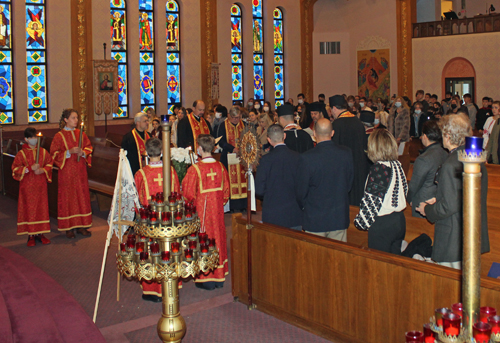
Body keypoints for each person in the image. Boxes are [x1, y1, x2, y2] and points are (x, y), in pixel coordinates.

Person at [416, 114, 489, 269]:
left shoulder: (451, 164)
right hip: (471, 234)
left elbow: (448, 206)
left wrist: (427, 209)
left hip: (454, 238)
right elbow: (461, 196)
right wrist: (438, 199)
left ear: (448, 136)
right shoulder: (473, 157)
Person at [134, 138, 180, 302]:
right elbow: (177, 194)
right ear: (161, 152)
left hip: (150, 221)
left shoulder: (141, 174)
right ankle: (171, 286)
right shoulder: (170, 171)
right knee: (168, 250)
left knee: (152, 252)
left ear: (146, 153)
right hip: (169, 220)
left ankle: (152, 289)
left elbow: (136, 199)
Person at [182, 134, 230, 290]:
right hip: (217, 213)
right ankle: (219, 276)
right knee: (218, 238)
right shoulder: (221, 167)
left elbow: (188, 194)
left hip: (202, 214)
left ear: (200, 149)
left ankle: (207, 278)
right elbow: (226, 192)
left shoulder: (195, 169)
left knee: (205, 239)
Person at [296, 118, 353, 241]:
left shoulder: (306, 158)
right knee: (338, 257)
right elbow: (348, 184)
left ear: (314, 134)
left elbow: (301, 191)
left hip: (315, 217)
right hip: (338, 216)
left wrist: (306, 207)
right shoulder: (346, 153)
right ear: (332, 133)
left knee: (315, 258)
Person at [354, 129, 408, 254]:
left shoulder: (380, 168)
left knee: (379, 267)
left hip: (383, 225)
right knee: (393, 263)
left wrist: (361, 222)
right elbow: (404, 190)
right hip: (399, 220)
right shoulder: (396, 165)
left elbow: (372, 201)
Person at [50, 109, 93, 238]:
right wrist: (68, 151)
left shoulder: (81, 134)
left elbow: (89, 147)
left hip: (80, 171)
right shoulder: (59, 136)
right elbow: (53, 154)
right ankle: (69, 227)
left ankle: (81, 225)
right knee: (68, 198)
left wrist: (83, 152)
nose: (76, 120)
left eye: (77, 118)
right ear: (65, 120)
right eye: (73, 118)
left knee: (81, 196)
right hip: (67, 171)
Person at [255, 125, 301, 229]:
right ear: (284, 136)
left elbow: (259, 190)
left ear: (269, 140)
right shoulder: (297, 157)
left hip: (273, 214)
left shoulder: (265, 160)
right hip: (294, 213)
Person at [12, 128, 53, 247]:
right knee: (30, 209)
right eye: (32, 138)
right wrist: (29, 168)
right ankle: (31, 235)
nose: (34, 140)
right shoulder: (21, 154)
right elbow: (15, 169)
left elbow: (50, 164)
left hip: (40, 185)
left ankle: (40, 233)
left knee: (41, 208)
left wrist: (42, 170)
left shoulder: (43, 152)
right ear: (26, 139)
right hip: (27, 187)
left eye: (36, 137)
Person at [330, 95, 369, 206]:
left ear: (334, 108)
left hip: (344, 169)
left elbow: (335, 149)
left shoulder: (336, 125)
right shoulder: (358, 122)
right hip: (359, 165)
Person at [407, 120, 448, 218]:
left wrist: (409, 198)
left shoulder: (424, 159)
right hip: (438, 199)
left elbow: (414, 185)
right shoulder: (445, 153)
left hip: (423, 202)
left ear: (425, 136)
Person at [218, 106, 247, 212]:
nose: (236, 120)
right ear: (229, 116)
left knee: (243, 180)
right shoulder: (223, 125)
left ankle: (243, 204)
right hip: (228, 157)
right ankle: (232, 206)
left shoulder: (244, 125)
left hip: (242, 158)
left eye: (238, 117)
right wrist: (232, 148)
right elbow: (221, 141)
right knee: (230, 181)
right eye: (234, 117)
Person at [121, 112, 150, 176]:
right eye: (145, 121)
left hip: (148, 170)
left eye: (147, 121)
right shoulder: (128, 138)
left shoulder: (149, 136)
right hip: (134, 171)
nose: (147, 123)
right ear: (138, 123)